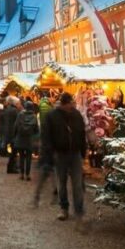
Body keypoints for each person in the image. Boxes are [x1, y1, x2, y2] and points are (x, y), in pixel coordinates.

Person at [44, 92, 87, 222]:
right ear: (64, 104)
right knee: (61, 183)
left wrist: (83, 152)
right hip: (60, 153)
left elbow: (81, 133)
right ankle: (64, 209)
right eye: (70, 103)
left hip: (75, 153)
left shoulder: (76, 115)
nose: (72, 105)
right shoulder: (52, 116)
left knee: (77, 184)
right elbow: (47, 136)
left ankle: (78, 210)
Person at [13, 102, 38, 181]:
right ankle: (27, 175)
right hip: (29, 139)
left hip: (20, 138)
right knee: (28, 157)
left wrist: (14, 135)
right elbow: (37, 129)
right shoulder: (34, 116)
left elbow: (15, 126)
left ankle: (21, 174)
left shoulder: (20, 115)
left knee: (21, 157)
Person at [1, 96, 21, 174]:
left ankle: (11, 167)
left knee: (12, 152)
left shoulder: (7, 110)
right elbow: (17, 123)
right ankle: (11, 167)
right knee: (14, 152)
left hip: (8, 133)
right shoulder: (15, 111)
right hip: (13, 134)